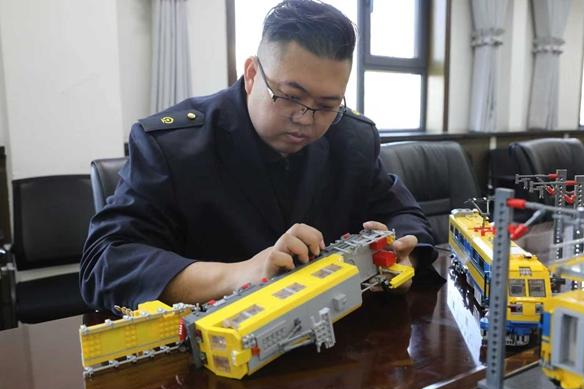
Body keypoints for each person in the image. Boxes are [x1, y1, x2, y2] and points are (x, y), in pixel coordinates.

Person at [80, 0, 438, 311]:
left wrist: (404, 256)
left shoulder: (351, 139)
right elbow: (106, 262)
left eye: (327, 105)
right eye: (290, 97)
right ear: (252, 74)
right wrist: (241, 274)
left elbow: (405, 216)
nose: (305, 118)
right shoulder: (172, 146)